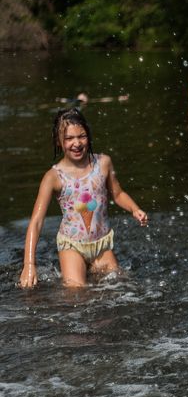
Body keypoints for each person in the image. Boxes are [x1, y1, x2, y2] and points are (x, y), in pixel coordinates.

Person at [18, 108, 148, 288]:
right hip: (72, 246)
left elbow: (118, 194)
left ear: (89, 136)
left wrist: (135, 209)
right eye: (69, 138)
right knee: (76, 292)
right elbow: (37, 221)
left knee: (121, 285)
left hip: (101, 245)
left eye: (82, 136)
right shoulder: (53, 177)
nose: (77, 143)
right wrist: (29, 265)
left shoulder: (103, 163)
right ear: (58, 141)